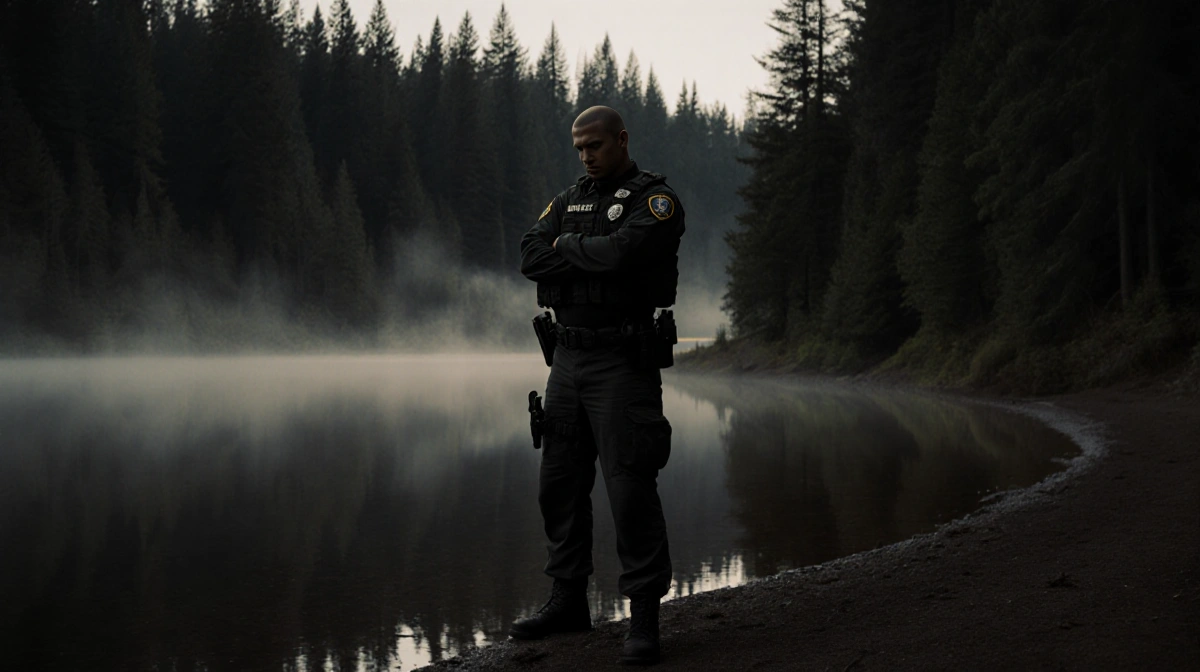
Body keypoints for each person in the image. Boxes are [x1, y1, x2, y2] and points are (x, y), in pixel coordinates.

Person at [514, 106, 685, 665]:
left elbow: (625, 253)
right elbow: (529, 254)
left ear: (621, 140)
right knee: (558, 484)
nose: (587, 155)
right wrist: (576, 252)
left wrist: (566, 250)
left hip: (623, 361)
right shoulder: (567, 200)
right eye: (579, 147)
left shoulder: (654, 201)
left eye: (596, 145)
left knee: (630, 488)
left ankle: (644, 620)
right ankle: (568, 602)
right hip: (566, 359)